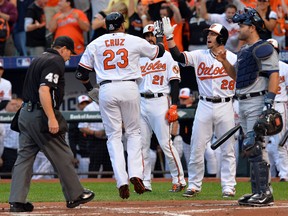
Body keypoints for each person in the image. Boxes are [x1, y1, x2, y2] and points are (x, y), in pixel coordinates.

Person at [75, 12, 165, 199]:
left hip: (107, 88)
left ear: (106, 25)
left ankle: (121, 180)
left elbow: (81, 74)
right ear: (122, 25)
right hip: (129, 86)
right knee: (133, 133)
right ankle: (136, 174)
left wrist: (90, 89)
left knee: (113, 137)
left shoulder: (96, 43)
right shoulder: (132, 39)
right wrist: (158, 36)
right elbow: (159, 52)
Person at [8, 36, 95, 212]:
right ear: (62, 48)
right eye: (70, 52)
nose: (69, 57)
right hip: (40, 115)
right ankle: (75, 195)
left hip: (25, 113)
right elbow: (44, 89)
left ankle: (17, 200)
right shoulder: (55, 60)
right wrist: (52, 118)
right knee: (63, 154)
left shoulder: (39, 58)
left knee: (24, 158)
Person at [162, 19, 237, 198]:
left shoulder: (233, 57)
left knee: (228, 149)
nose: (208, 37)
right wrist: (170, 37)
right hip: (204, 104)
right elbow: (178, 57)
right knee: (197, 146)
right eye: (208, 34)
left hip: (226, 104)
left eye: (212, 34)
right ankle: (194, 185)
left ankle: (228, 186)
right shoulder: (199, 55)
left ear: (222, 38)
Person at [215, 8, 279, 206]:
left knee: (255, 146)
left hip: (257, 100)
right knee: (251, 147)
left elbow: (274, 74)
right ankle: (257, 191)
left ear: (252, 27)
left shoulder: (263, 47)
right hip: (243, 101)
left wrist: (268, 103)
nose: (238, 29)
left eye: (242, 26)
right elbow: (237, 76)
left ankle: (265, 192)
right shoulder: (243, 50)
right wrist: (224, 61)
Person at [139, 24, 186, 192]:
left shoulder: (167, 56)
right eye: (147, 36)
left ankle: (179, 179)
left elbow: (174, 82)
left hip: (160, 101)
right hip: (141, 101)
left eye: (152, 35)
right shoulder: (139, 57)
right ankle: (145, 182)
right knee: (142, 145)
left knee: (166, 143)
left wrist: (174, 105)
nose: (149, 38)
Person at [266, 38, 288, 180]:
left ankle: (285, 174)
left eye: (273, 50)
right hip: (265, 105)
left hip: (280, 104)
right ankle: (265, 175)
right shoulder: (260, 68)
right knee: (263, 143)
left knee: (280, 142)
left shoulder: (284, 67)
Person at [78, 95, 113, 178]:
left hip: (110, 139)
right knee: (94, 166)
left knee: (109, 167)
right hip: (95, 140)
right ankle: (92, 187)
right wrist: (94, 132)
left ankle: (107, 188)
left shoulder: (111, 105)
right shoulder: (89, 108)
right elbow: (82, 127)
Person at [68, 94, 91, 178]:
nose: (85, 106)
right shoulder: (75, 118)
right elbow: (72, 140)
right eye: (82, 104)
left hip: (94, 153)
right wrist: (73, 156)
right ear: (78, 105)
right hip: (82, 155)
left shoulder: (95, 115)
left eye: (87, 103)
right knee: (84, 177)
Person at [0, 98, 22, 179]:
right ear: (6, 105)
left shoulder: (19, 116)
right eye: (12, 104)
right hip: (5, 150)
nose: (15, 106)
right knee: (5, 174)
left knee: (17, 174)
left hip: (18, 150)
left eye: (16, 105)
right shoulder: (1, 116)